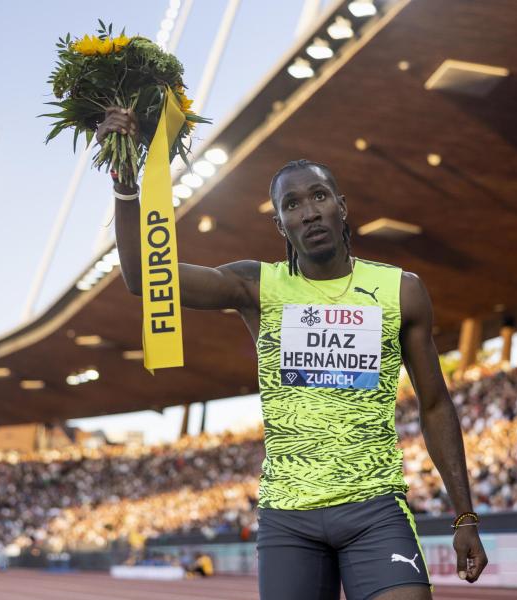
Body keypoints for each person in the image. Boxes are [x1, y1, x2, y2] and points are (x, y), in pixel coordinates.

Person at [97, 108, 488, 600]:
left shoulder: (401, 290)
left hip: (375, 508)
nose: (309, 211)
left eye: (319, 196)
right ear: (281, 224)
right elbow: (143, 278)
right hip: (289, 520)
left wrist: (464, 514)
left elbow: (434, 405)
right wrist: (126, 182)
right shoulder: (256, 287)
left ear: (341, 206)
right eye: (292, 204)